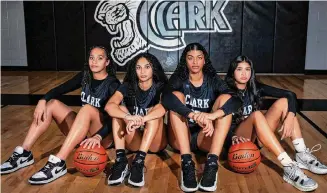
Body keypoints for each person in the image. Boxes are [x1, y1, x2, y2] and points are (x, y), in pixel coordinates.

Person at [1, 46, 121, 185]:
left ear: (107, 62)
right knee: (52, 104)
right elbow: (60, 89)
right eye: (91, 57)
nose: (94, 61)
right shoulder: (85, 76)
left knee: (87, 109)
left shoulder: (113, 84)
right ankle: (24, 153)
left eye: (99, 58)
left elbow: (115, 119)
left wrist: (98, 136)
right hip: (82, 132)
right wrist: (42, 100)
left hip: (102, 135)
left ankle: (59, 162)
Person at [224, 55, 327, 192]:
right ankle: (288, 165)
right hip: (237, 139)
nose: (244, 73)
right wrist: (231, 136)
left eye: (247, 69)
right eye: (239, 69)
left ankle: (301, 154)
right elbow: (217, 122)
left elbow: (290, 95)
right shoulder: (224, 90)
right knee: (257, 115)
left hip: (256, 137)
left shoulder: (255, 88)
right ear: (232, 72)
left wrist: (290, 115)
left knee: (285, 103)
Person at [161, 43, 241, 192]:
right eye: (190, 58)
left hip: (204, 136)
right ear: (185, 61)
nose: (195, 62)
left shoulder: (212, 79)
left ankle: (212, 164)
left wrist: (211, 116)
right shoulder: (179, 78)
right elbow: (165, 98)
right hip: (179, 138)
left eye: (199, 58)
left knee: (225, 99)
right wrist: (192, 114)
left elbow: (236, 100)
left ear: (205, 61)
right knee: (176, 96)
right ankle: (186, 163)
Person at [105, 53, 168, 187]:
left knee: (154, 111)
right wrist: (128, 117)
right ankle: (121, 160)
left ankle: (138, 162)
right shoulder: (128, 86)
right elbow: (109, 106)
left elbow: (163, 109)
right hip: (136, 140)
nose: (143, 71)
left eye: (147, 67)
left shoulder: (161, 86)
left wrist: (143, 118)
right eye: (138, 67)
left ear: (153, 68)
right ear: (134, 70)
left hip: (156, 142)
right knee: (119, 109)